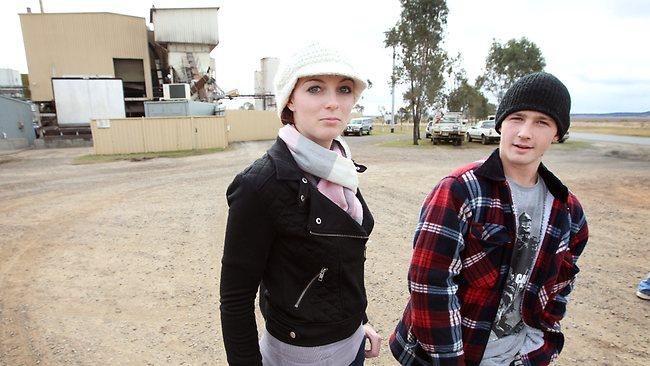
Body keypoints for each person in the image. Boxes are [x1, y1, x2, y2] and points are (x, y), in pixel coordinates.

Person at [389, 72, 589, 366]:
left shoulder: (569, 211)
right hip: (450, 354)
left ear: (557, 134)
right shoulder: (460, 189)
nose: (524, 132)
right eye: (517, 118)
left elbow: (560, 286)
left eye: (542, 122)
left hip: (517, 356)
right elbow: (430, 284)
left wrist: (539, 346)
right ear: (501, 123)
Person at [220, 42, 381, 366]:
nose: (333, 103)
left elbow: (341, 263)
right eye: (315, 88)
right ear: (290, 99)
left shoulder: (342, 169)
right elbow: (235, 300)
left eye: (345, 89)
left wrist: (358, 320)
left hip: (352, 350)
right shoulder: (259, 185)